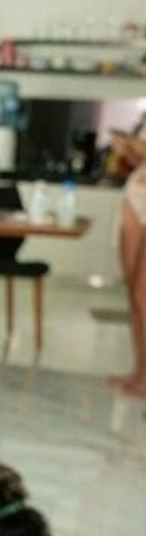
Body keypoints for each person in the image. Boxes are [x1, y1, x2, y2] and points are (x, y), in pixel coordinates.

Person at [107, 127, 146, 397]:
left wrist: (133, 145)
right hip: (137, 190)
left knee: (143, 296)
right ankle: (140, 372)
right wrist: (129, 150)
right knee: (134, 295)